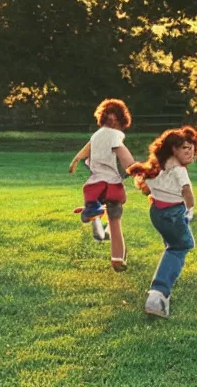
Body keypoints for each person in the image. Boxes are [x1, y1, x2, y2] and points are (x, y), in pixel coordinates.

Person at [127, 126, 197, 319]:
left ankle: (164, 278)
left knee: (172, 243)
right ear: (173, 149)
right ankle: (158, 294)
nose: (190, 151)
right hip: (173, 213)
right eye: (184, 147)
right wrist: (189, 213)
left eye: (192, 147)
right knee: (180, 246)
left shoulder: (158, 166)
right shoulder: (179, 170)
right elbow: (187, 193)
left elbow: (147, 188)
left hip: (157, 213)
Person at [69, 99, 135, 271]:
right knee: (114, 220)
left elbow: (86, 149)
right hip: (112, 184)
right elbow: (125, 157)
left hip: (96, 184)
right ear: (121, 122)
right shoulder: (115, 135)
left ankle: (91, 209)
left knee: (101, 208)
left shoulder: (97, 136)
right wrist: (134, 168)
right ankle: (117, 258)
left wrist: (76, 160)